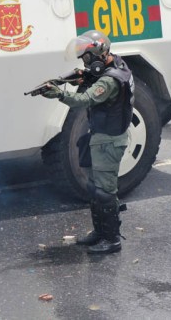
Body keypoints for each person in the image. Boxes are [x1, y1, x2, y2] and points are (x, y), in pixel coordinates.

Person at [41, 30, 134, 255]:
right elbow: (92, 76)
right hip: (102, 135)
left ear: (98, 56)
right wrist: (76, 77)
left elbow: (84, 100)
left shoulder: (110, 80)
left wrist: (58, 93)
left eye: (86, 58)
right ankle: (99, 232)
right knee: (94, 187)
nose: (84, 62)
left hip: (109, 141)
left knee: (104, 191)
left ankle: (111, 239)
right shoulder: (117, 64)